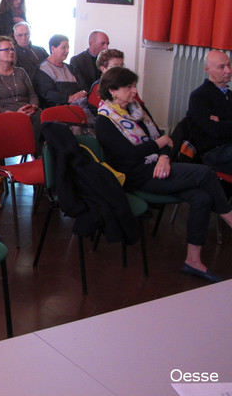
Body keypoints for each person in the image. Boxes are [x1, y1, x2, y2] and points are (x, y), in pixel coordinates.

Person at [96, 66, 232, 283]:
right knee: (206, 173)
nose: (134, 91)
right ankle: (230, 218)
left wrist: (164, 157)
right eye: (128, 87)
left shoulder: (138, 109)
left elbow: (165, 139)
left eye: (134, 86)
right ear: (112, 90)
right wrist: (158, 145)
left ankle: (193, 261)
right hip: (136, 175)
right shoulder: (105, 120)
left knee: (202, 198)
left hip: (156, 165)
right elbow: (129, 155)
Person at [186, 49, 232, 174]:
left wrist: (222, 122)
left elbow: (220, 128)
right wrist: (222, 124)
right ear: (208, 70)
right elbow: (214, 130)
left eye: (229, 65)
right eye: (221, 67)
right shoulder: (199, 96)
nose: (228, 70)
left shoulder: (230, 95)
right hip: (214, 152)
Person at [0, 36, 40, 117]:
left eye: (12, 49)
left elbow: (32, 95)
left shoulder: (21, 72)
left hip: (29, 111)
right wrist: (13, 114)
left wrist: (33, 106)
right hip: (6, 115)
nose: (11, 52)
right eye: (6, 50)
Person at [33, 34, 87, 109]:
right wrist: (69, 98)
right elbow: (48, 94)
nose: (67, 51)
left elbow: (84, 86)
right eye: (63, 47)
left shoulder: (71, 68)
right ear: (53, 49)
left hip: (78, 106)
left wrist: (83, 92)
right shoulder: (43, 70)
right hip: (55, 109)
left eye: (68, 47)